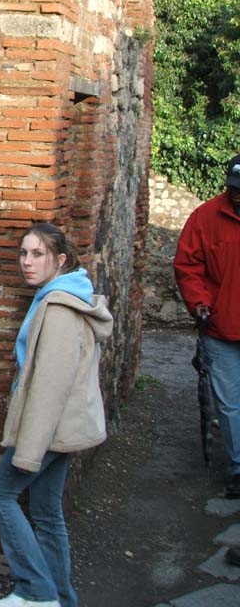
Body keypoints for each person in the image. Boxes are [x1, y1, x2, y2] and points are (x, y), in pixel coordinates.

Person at [0, 222, 113, 607]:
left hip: (50, 428)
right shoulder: (62, 295)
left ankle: (36, 592)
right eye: (23, 253)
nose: (27, 262)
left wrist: (28, 450)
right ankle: (60, 598)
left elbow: (49, 388)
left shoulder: (57, 308)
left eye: (37, 254)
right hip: (65, 427)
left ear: (60, 259)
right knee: (45, 510)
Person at [174, 153, 240, 567]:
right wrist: (199, 302)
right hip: (222, 328)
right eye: (235, 192)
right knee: (230, 405)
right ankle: (237, 469)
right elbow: (188, 265)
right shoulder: (206, 217)